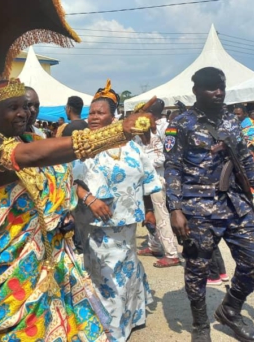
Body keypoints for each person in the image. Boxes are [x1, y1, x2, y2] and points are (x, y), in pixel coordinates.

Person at [0, 78, 151, 341]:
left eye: (27, 106)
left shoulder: (20, 135)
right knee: (24, 330)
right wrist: (116, 133)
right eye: (14, 107)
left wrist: (62, 212)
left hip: (44, 249)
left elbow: (52, 179)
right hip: (8, 262)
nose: (24, 113)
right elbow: (31, 156)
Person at [165, 67, 254, 342]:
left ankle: (230, 309)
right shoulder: (180, 124)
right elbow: (172, 167)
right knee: (197, 270)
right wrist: (175, 208)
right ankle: (201, 326)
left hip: (234, 204)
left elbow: (246, 161)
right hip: (197, 208)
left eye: (221, 87)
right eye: (211, 88)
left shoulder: (231, 121)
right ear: (196, 91)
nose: (218, 93)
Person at [73, 80, 161, 341]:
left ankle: (131, 318)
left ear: (114, 116)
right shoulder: (83, 144)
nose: (94, 117)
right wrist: (89, 199)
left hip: (126, 223)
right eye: (91, 112)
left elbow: (146, 177)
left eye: (100, 112)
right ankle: (108, 328)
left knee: (128, 270)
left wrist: (148, 209)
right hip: (95, 224)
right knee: (105, 277)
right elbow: (69, 178)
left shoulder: (132, 145)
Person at [136, 128, 180, 268]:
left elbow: (165, 157)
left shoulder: (159, 135)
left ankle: (171, 254)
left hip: (158, 181)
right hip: (143, 182)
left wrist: (145, 165)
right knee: (148, 215)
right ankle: (154, 246)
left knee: (161, 216)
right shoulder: (136, 139)